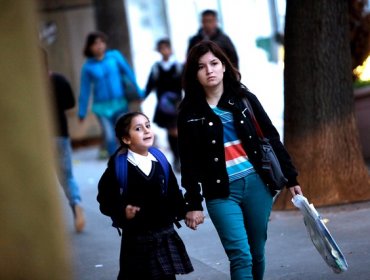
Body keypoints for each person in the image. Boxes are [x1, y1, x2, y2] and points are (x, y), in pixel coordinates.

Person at [178, 41, 303, 280]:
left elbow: (270, 137)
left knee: (256, 253)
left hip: (257, 185)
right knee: (240, 256)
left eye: (214, 63)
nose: (210, 70)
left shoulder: (244, 99)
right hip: (221, 194)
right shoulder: (189, 112)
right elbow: (189, 161)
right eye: (202, 67)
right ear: (195, 74)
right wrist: (193, 203)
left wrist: (291, 177)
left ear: (224, 66)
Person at [97, 112, 194, 280]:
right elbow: (105, 199)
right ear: (126, 139)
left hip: (164, 233)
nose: (147, 131)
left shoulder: (160, 160)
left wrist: (186, 211)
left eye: (148, 126)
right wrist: (122, 211)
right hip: (136, 239)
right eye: (138, 129)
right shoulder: (119, 168)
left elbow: (173, 192)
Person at [78, 31, 142, 158]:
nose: (99, 45)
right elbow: (84, 90)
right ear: (90, 47)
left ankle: (132, 160)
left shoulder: (115, 57)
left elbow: (129, 73)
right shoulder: (87, 67)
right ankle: (115, 163)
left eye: (102, 42)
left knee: (125, 133)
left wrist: (139, 92)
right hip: (101, 108)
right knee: (109, 136)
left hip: (120, 103)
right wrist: (82, 112)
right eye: (95, 43)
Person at [50, 71, 86, 233]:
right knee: (67, 176)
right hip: (60, 134)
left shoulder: (27, 84)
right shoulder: (59, 79)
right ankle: (76, 203)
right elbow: (70, 104)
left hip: (38, 136)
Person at [144, 38, 183, 171]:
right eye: (162, 48)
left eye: (167, 47)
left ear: (171, 49)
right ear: (159, 50)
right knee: (171, 131)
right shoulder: (156, 68)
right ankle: (176, 157)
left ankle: (180, 156)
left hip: (177, 105)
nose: (165, 50)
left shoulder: (178, 67)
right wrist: (142, 96)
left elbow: (186, 84)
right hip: (164, 107)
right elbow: (150, 85)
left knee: (177, 131)